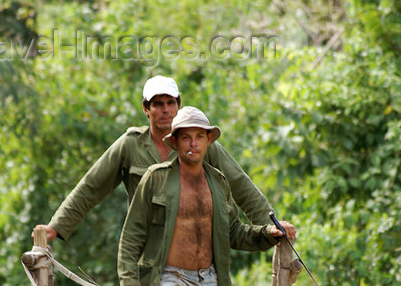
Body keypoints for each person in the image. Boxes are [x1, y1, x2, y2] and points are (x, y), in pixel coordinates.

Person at [32, 75, 296, 244]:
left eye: (170, 103)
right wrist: (56, 226)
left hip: (193, 245)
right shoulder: (130, 145)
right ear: (146, 109)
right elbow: (91, 187)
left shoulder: (197, 143)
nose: (165, 110)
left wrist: (271, 224)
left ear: (179, 106)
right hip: (148, 248)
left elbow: (239, 183)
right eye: (158, 104)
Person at [118, 107, 289, 286]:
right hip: (170, 275)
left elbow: (233, 231)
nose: (193, 143)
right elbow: (132, 231)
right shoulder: (156, 178)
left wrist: (267, 233)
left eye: (199, 136)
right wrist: (129, 279)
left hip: (207, 281)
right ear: (174, 141)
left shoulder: (218, 182)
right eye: (186, 137)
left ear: (209, 140)